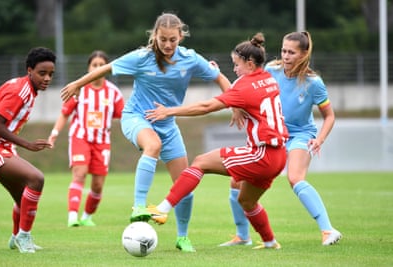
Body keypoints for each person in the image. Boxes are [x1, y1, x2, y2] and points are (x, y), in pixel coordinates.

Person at [60, 13, 231, 252]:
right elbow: (106, 69)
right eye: (163, 39)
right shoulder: (142, 58)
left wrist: (237, 106)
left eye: (172, 39)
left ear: (180, 36)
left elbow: (220, 78)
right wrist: (78, 84)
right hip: (137, 118)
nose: (168, 45)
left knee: (185, 185)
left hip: (168, 124)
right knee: (152, 146)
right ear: (155, 36)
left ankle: (183, 237)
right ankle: (138, 206)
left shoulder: (190, 59)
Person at [145, 32, 289, 250]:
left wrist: (169, 111)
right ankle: (270, 242)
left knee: (201, 161)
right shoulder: (268, 79)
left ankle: (163, 209)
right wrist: (234, 100)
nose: (235, 69)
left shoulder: (245, 87)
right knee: (247, 201)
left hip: (262, 154)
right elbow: (242, 92)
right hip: (279, 156)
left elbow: (206, 107)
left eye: (237, 64)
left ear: (249, 63)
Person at [221, 31, 342, 247]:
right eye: (283, 50)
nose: (285, 56)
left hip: (300, 135)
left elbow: (329, 116)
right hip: (273, 136)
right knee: (235, 181)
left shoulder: (314, 83)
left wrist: (319, 139)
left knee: (295, 178)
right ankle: (242, 236)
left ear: (304, 54)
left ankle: (328, 230)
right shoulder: (271, 70)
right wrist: (236, 108)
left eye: (291, 52)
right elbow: (244, 87)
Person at [0, 47, 56, 253]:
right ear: (30, 70)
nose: (47, 78)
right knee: (36, 179)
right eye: (42, 73)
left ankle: (17, 237)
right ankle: (24, 236)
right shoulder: (20, 91)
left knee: (22, 196)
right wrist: (28, 145)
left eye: (51, 74)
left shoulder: (21, 85)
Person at [48, 50, 124, 227]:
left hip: (102, 142)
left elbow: (123, 115)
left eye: (101, 65)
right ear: (89, 68)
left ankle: (87, 217)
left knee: (97, 185)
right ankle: (72, 216)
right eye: (94, 65)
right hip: (80, 137)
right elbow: (64, 114)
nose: (97, 68)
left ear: (107, 69)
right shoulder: (79, 89)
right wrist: (53, 134)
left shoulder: (114, 93)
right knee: (79, 174)